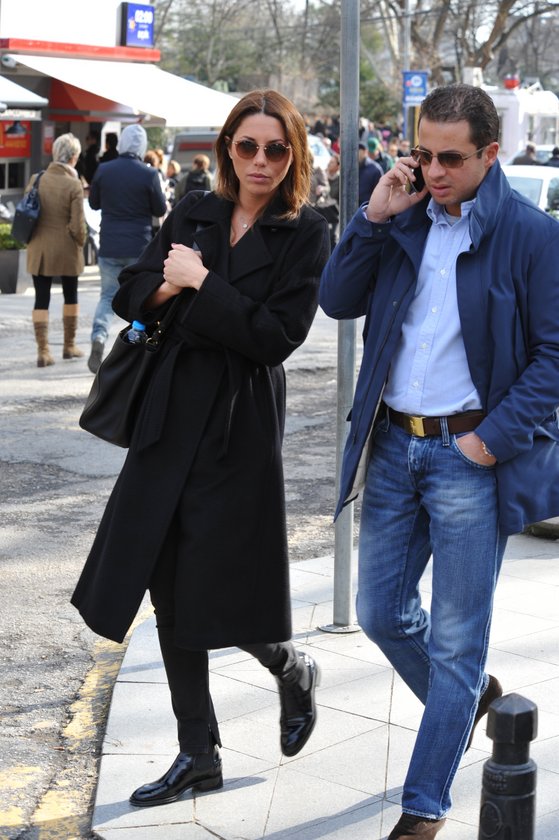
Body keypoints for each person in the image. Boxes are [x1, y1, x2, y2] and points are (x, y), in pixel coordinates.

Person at [72, 89, 330, 808]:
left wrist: (202, 284)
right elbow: (130, 290)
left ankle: (288, 664)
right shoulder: (194, 209)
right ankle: (198, 753)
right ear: (226, 150)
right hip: (168, 412)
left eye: (275, 149)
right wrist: (167, 288)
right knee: (163, 580)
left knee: (217, 581)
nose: (259, 161)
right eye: (246, 146)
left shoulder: (306, 231)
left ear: (293, 156)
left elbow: (275, 337)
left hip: (237, 423)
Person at [320, 83, 559, 840]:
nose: (432, 171)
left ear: (491, 153)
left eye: (450, 159)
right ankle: (467, 698)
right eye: (422, 154)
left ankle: (424, 807)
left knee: (456, 643)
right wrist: (371, 218)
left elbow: (554, 356)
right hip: (393, 443)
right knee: (379, 614)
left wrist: (491, 439)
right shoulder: (404, 217)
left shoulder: (533, 236)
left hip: (469, 456)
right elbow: (336, 300)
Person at [86, 124, 167, 373]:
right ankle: (134, 345)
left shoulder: (104, 169)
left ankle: (99, 338)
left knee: (107, 296)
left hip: (109, 244)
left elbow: (94, 203)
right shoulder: (149, 174)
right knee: (140, 297)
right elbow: (160, 209)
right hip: (139, 247)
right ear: (142, 147)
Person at [26, 133, 87, 367]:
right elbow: (77, 225)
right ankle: (69, 346)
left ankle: (43, 351)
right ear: (73, 157)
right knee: (71, 295)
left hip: (39, 248)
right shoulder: (73, 184)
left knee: (41, 298)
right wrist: (81, 242)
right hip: (66, 249)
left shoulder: (37, 179)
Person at [358, 141, 383, 205]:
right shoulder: (350, 167)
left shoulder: (375, 169)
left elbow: (379, 192)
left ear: (365, 152)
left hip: (367, 206)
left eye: (359, 151)